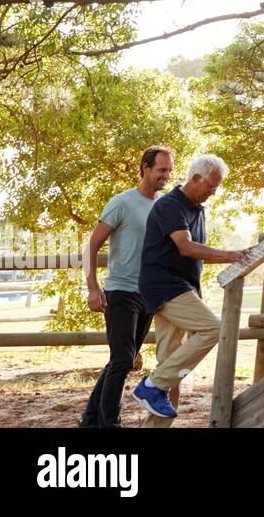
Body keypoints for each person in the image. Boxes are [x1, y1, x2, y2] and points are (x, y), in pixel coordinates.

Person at [132, 154, 248, 421]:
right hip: (165, 286)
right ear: (196, 178)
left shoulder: (197, 210)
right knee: (213, 328)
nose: (213, 192)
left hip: (182, 287)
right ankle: (151, 385)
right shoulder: (170, 206)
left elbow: (194, 257)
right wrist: (231, 254)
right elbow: (185, 247)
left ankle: (155, 410)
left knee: (171, 365)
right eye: (211, 185)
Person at [79, 146, 175, 428]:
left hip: (147, 294)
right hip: (120, 291)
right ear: (145, 168)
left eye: (169, 170)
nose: (166, 176)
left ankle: (90, 419)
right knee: (122, 360)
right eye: (161, 170)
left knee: (122, 359)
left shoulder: (163, 205)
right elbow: (91, 247)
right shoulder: (122, 202)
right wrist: (93, 288)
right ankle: (111, 423)